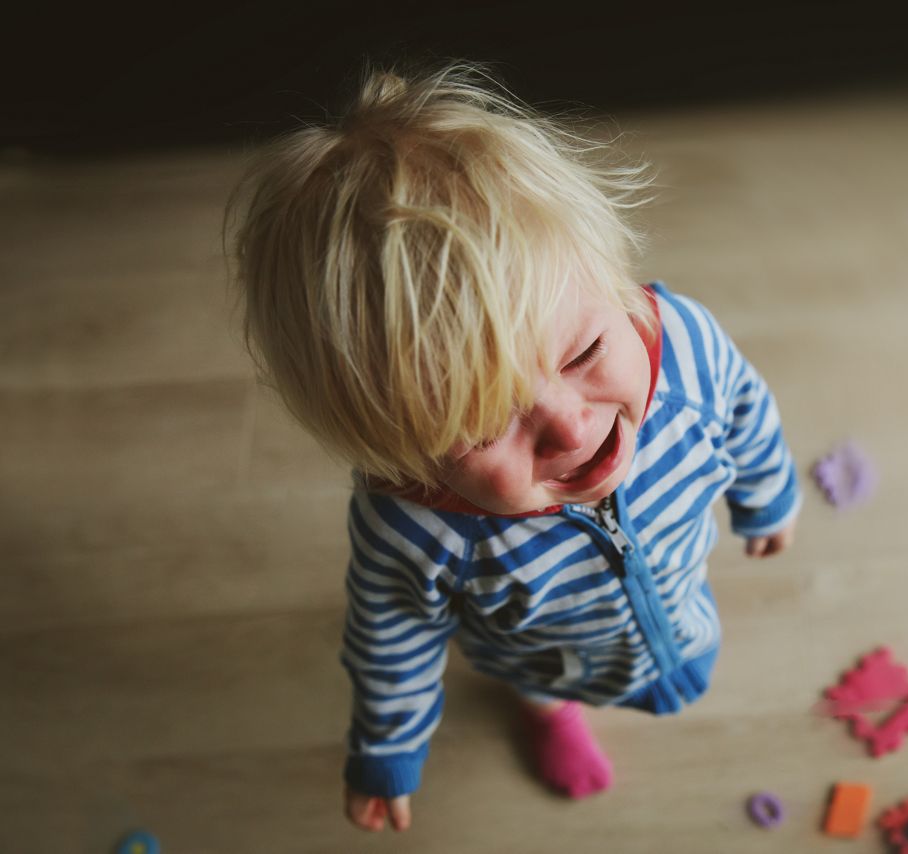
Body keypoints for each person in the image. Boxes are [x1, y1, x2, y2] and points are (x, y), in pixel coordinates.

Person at [226, 63, 800, 833]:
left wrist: (767, 496)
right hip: (542, 653)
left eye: (584, 351)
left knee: (674, 603)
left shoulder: (684, 347)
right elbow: (389, 637)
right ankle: (549, 713)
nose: (570, 427)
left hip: (677, 569)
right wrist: (386, 748)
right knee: (542, 683)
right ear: (402, 455)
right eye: (487, 424)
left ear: (614, 279)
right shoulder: (417, 531)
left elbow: (746, 409)